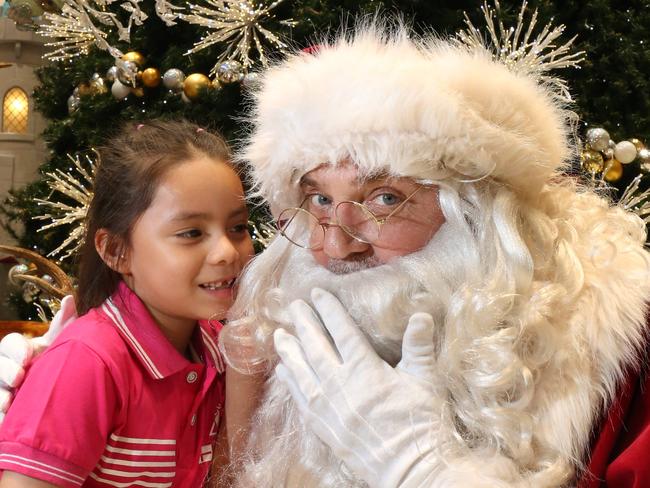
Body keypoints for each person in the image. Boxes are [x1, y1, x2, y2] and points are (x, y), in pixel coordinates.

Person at [218, 22, 650, 487]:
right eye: (320, 199)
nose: (337, 245)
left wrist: (420, 469)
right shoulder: (265, 331)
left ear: (478, 215)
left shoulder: (626, 358)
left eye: (385, 198)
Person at [0, 120, 255, 487]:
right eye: (191, 233)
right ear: (117, 251)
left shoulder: (222, 348)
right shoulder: (87, 364)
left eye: (238, 228)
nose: (227, 252)